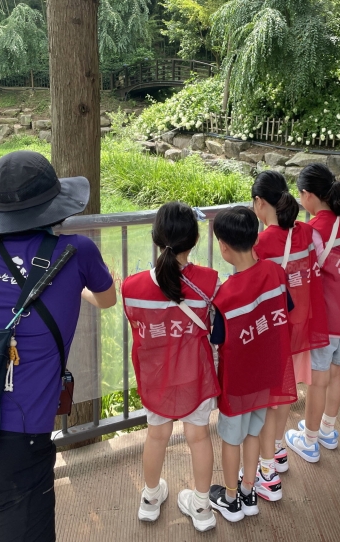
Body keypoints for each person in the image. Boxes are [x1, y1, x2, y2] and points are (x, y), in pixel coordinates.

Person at [0, 150, 116, 542]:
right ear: (54, 207)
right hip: (14, 448)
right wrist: (76, 289)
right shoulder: (77, 251)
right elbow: (107, 299)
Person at [121, 201, 220, 532]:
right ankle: (202, 507)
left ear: (156, 236)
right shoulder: (209, 282)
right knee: (199, 436)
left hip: (156, 377)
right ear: (194, 240)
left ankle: (150, 499)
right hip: (196, 375)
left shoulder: (132, 287)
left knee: (156, 434)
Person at [209, 206, 297, 522]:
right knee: (253, 434)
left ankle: (231, 499)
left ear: (224, 247)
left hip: (238, 382)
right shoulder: (275, 272)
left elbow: (217, 338)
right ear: (255, 238)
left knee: (231, 438)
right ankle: (249, 490)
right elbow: (286, 308)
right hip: (267, 374)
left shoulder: (225, 295)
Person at [251, 171, 330, 498]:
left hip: (273, 331)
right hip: (302, 327)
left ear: (259, 202)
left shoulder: (261, 243)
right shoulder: (307, 232)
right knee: (286, 393)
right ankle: (279, 448)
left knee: (269, 401)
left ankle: (267, 470)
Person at [285, 164, 340, 462]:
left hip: (324, 320)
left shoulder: (312, 230)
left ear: (307, 195)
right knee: (335, 376)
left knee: (317, 381)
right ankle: (327, 430)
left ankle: (309, 441)